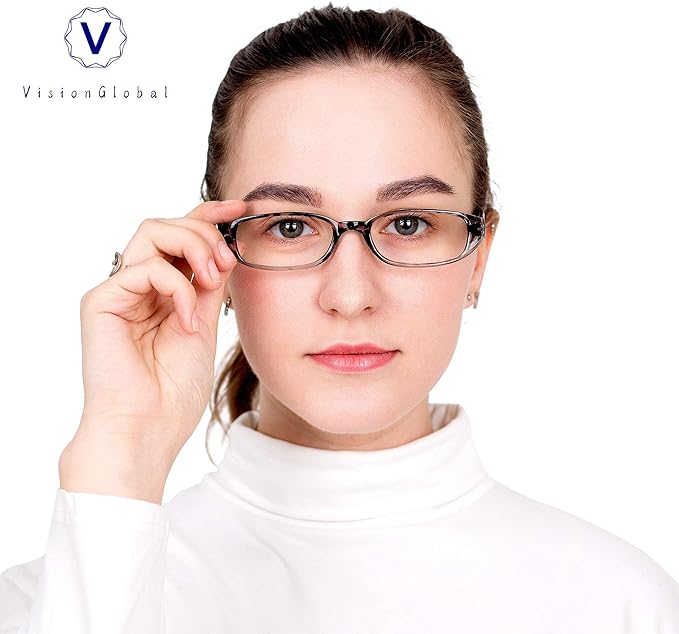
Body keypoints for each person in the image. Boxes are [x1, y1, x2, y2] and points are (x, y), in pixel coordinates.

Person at [1, 3, 678, 632]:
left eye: (408, 223)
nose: (350, 296)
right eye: (290, 225)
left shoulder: (618, 603)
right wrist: (122, 462)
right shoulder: (44, 603)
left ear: (478, 258)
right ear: (216, 252)